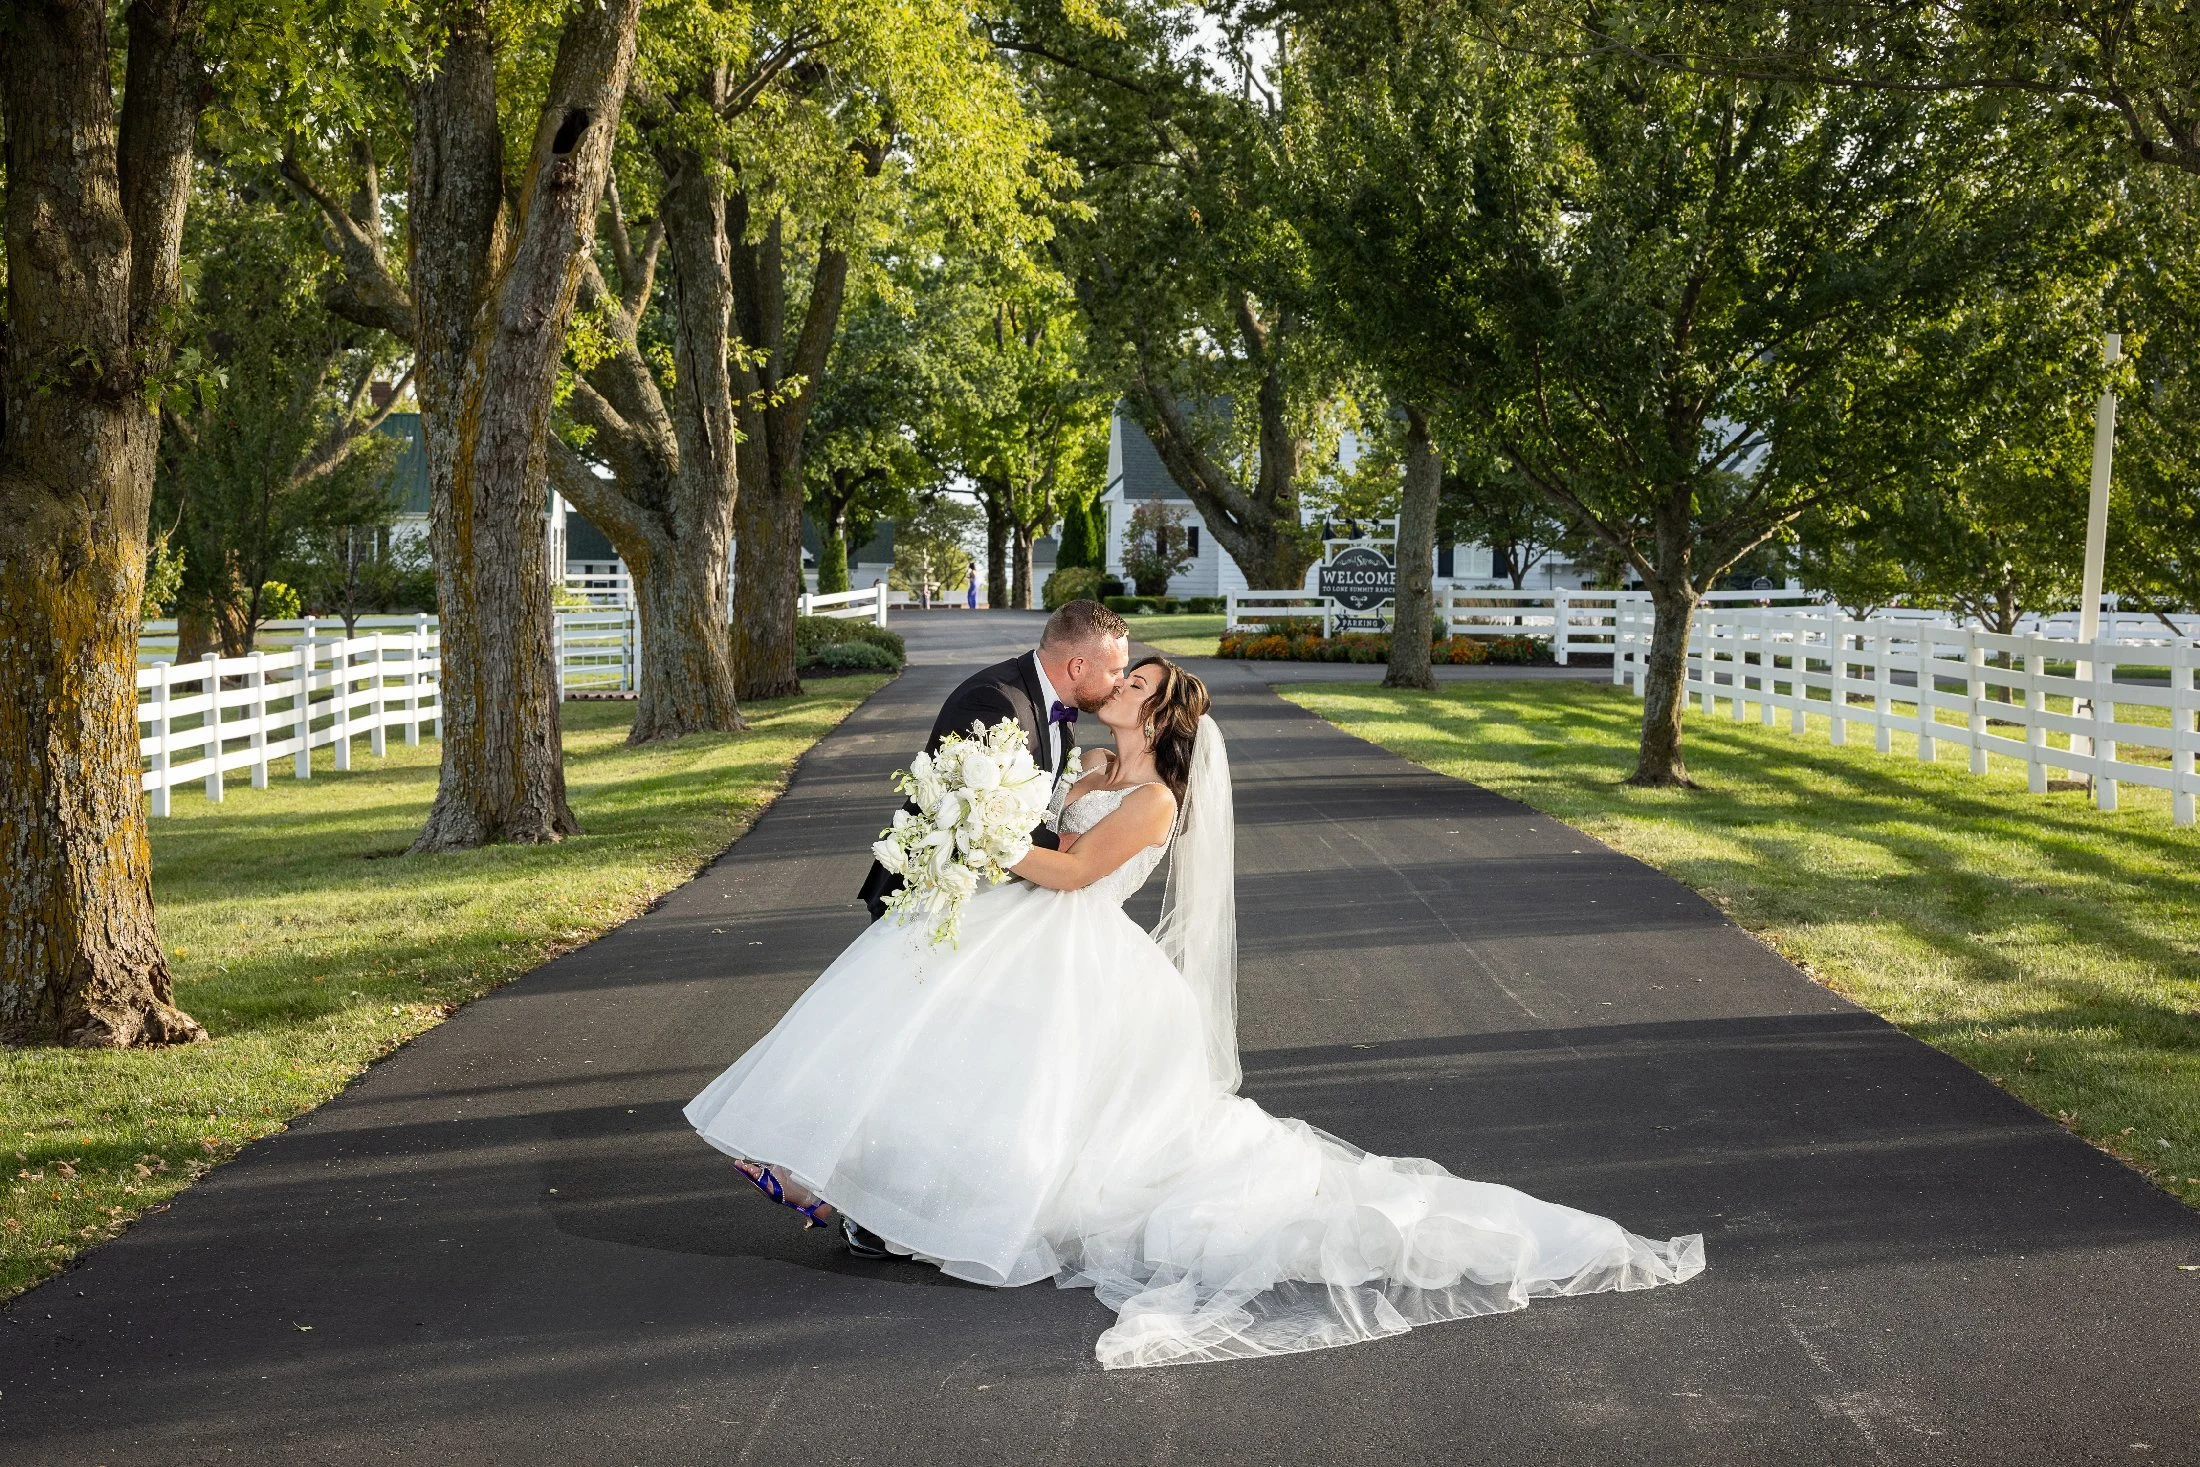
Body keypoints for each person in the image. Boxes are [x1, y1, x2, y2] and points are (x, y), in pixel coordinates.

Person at [686, 658, 1704, 1369]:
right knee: (946, 1049)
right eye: (1124, 677)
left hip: (1076, 946)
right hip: (1023, 928)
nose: (1118, 687)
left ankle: (918, 1205)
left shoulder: (1155, 800)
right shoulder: (1092, 768)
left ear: (1162, 714)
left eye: (1135, 685)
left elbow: (1074, 871)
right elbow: (1052, 843)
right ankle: (871, 1193)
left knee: (1029, 1092)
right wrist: (984, 823)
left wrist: (981, 833)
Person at [856, 599, 1130, 923]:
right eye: (1115, 670)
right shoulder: (993, 701)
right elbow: (977, 812)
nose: (1122, 680)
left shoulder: (1060, 704)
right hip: (931, 893)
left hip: (992, 895)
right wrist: (1057, 845)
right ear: (1077, 667)